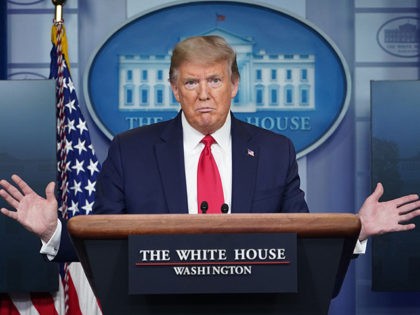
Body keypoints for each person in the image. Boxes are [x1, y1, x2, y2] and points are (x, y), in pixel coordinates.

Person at [1, 35, 420, 262]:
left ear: (234, 84)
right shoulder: (131, 151)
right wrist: (52, 232)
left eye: (215, 81)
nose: (204, 94)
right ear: (174, 89)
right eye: (191, 82)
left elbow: (303, 245)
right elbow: (102, 247)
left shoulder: (275, 150)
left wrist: (358, 231)